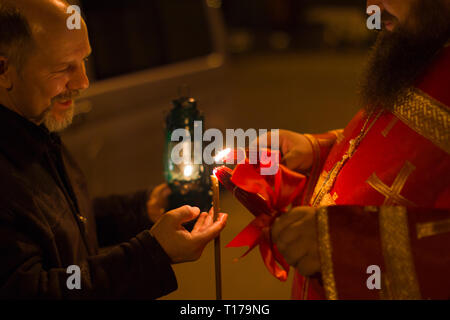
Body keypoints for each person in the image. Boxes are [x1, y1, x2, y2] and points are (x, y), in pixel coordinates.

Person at [0, 0, 227, 299]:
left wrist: (142, 208)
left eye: (83, 61)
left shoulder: (35, 129)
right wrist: (151, 253)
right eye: (64, 67)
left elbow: (61, 225)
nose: (82, 82)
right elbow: (35, 290)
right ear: (4, 69)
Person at [264, 0, 449, 299]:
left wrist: (349, 243)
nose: (372, 7)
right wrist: (317, 152)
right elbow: (404, 144)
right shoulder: (428, 42)